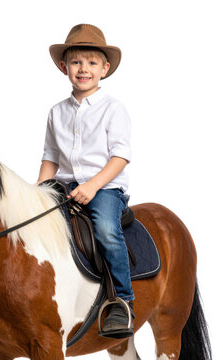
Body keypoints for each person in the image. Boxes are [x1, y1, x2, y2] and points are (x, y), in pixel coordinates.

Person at [37, 24, 135, 338]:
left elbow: (120, 157)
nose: (84, 69)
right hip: (64, 186)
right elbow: (50, 156)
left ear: (104, 69)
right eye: (77, 62)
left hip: (105, 187)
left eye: (92, 63)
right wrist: (37, 192)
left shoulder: (113, 110)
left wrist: (93, 186)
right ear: (64, 67)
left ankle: (122, 299)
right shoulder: (56, 112)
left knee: (105, 229)